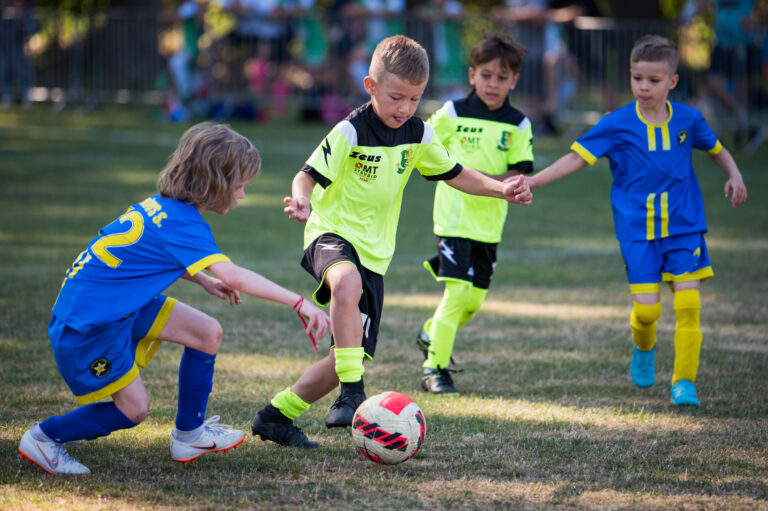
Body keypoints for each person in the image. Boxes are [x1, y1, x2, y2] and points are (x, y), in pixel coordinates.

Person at [250, 35, 533, 447]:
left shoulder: (417, 133)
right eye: (396, 97)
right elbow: (305, 176)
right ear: (371, 86)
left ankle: (276, 416)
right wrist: (301, 201)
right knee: (345, 286)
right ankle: (353, 395)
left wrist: (501, 188)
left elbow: (457, 173)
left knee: (344, 358)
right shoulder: (350, 130)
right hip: (330, 232)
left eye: (414, 99)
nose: (404, 109)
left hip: (375, 254)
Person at [18, 123, 332, 474]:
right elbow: (235, 276)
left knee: (206, 331)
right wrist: (299, 302)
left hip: (112, 307)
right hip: (89, 324)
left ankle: (189, 435)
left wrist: (202, 280)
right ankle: (44, 437)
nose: (243, 194)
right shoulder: (184, 223)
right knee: (133, 410)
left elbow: (147, 256)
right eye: (240, 185)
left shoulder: (162, 206)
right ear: (217, 181)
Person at [522, 35, 747, 407]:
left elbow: (716, 150)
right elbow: (577, 158)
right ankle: (644, 346)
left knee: (689, 307)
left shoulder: (689, 119)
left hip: (685, 226)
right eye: (636, 77)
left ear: (672, 81)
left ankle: (684, 383)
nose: (643, 87)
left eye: (653, 80)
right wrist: (534, 180)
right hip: (637, 231)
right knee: (648, 311)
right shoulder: (617, 123)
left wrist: (735, 175)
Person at [415, 33, 534, 395]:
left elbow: (520, 173)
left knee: (474, 301)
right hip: (452, 219)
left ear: (514, 80)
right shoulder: (451, 114)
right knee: (457, 293)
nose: (493, 84)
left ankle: (431, 333)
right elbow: (423, 151)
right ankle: (434, 369)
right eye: (486, 75)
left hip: (489, 225)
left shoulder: (518, 124)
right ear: (471, 75)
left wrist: (496, 183)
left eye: (502, 77)